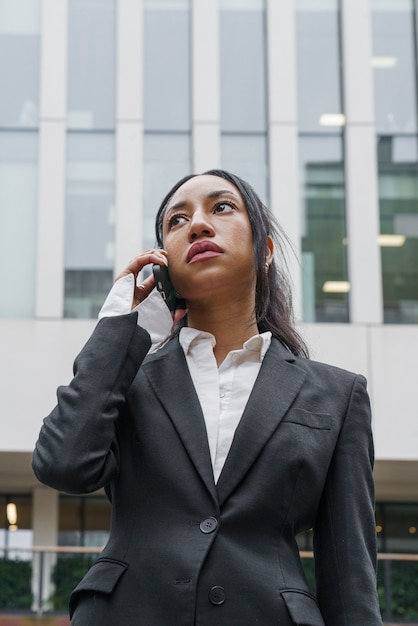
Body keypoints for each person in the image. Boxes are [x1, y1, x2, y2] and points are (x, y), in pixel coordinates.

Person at [32, 169, 383, 625]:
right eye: (176, 221)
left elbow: (349, 574)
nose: (197, 224)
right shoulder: (123, 381)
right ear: (164, 264)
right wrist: (118, 327)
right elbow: (63, 464)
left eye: (222, 207)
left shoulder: (339, 394)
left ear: (266, 251)